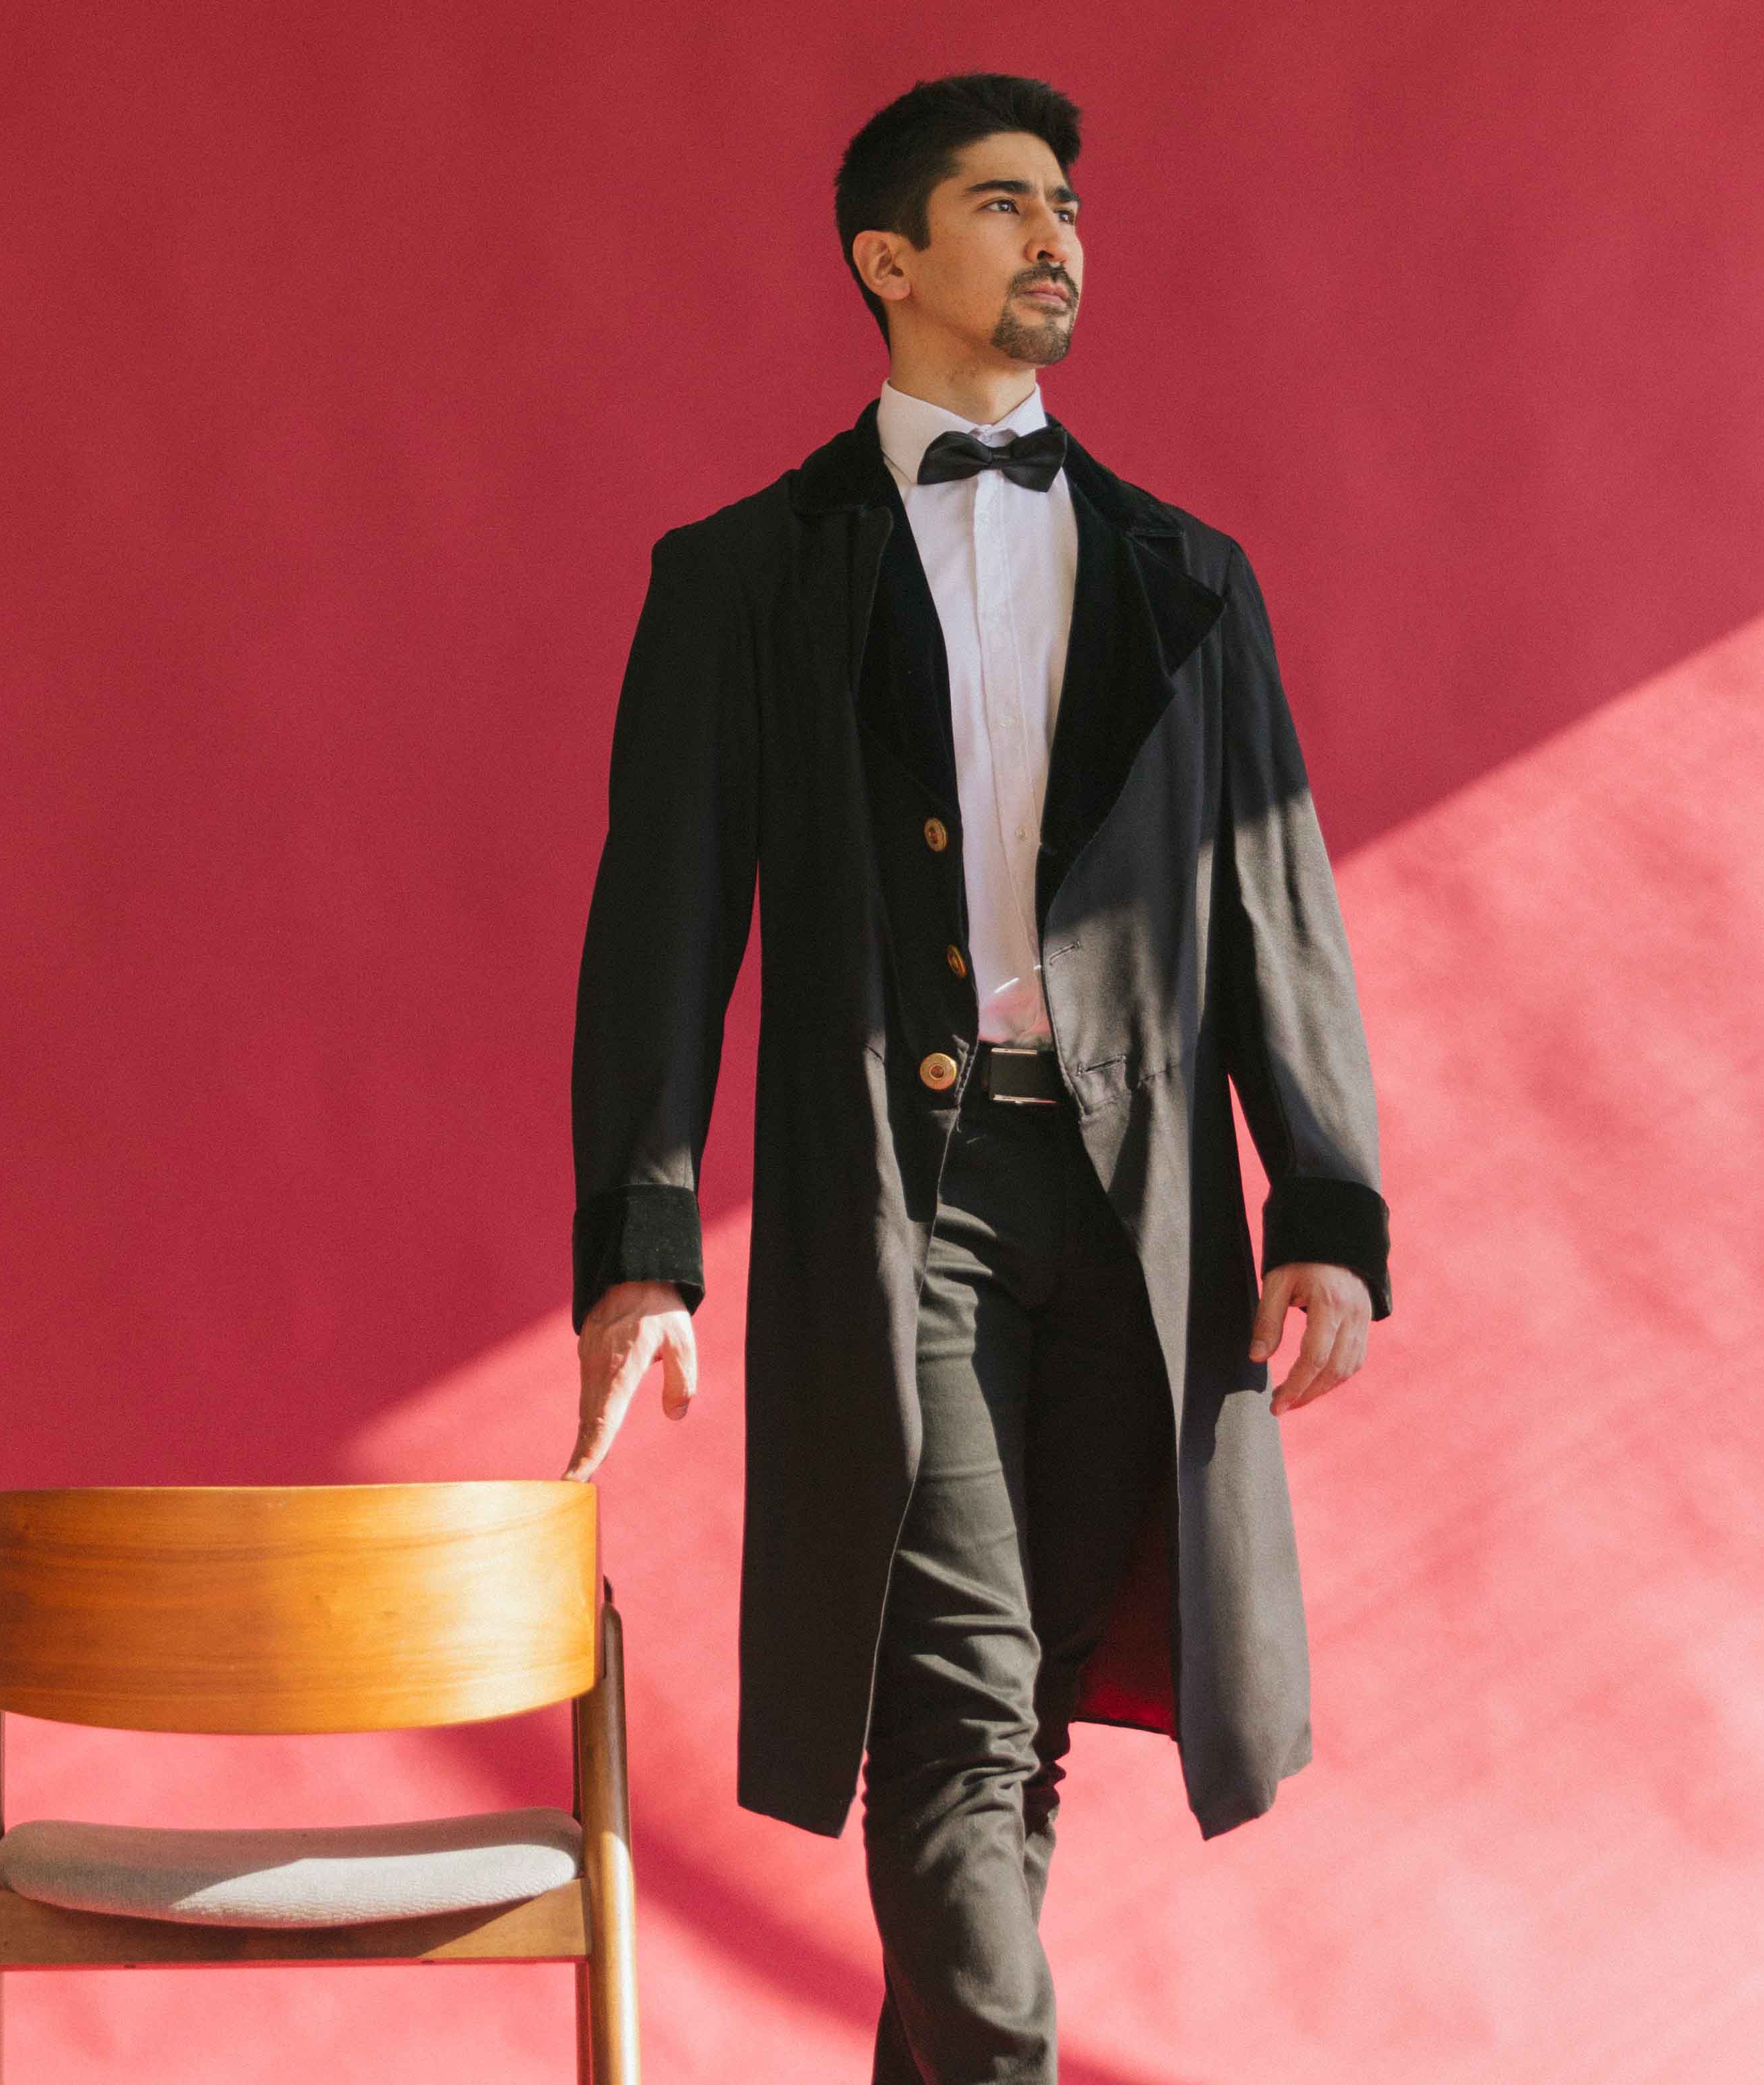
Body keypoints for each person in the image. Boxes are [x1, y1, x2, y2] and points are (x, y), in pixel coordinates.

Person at [563, 71, 1392, 2085]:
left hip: (1138, 1218)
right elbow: (663, 925)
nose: (1058, 238)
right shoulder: (745, 577)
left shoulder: (1195, 578)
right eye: (1006, 204)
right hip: (893, 1209)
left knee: (1016, 1731)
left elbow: (1273, 901)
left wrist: (1332, 1212)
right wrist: (643, 1244)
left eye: (1071, 207)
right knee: (944, 1701)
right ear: (890, 257)